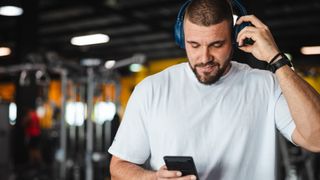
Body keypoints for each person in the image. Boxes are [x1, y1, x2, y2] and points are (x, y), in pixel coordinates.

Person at [108, 0, 320, 179]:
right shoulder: (151, 89)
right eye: (194, 45)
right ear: (182, 38)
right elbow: (118, 167)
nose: (204, 57)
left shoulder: (266, 84)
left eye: (216, 45)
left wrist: (277, 59)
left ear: (236, 37)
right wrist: (151, 178)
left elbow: (316, 140)